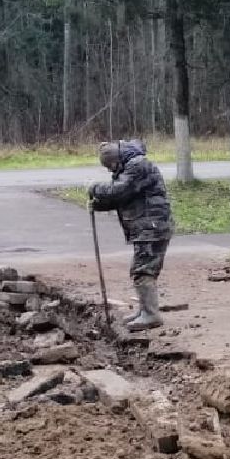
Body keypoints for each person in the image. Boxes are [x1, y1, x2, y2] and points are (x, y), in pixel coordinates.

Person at [89, 139, 173, 331]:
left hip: (151, 226)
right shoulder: (130, 166)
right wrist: (99, 204)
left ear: (116, 160)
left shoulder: (137, 165)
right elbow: (125, 196)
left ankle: (151, 315)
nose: (110, 171)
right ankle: (144, 310)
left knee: (142, 271)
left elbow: (120, 190)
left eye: (110, 166)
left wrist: (95, 188)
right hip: (147, 226)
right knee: (141, 270)